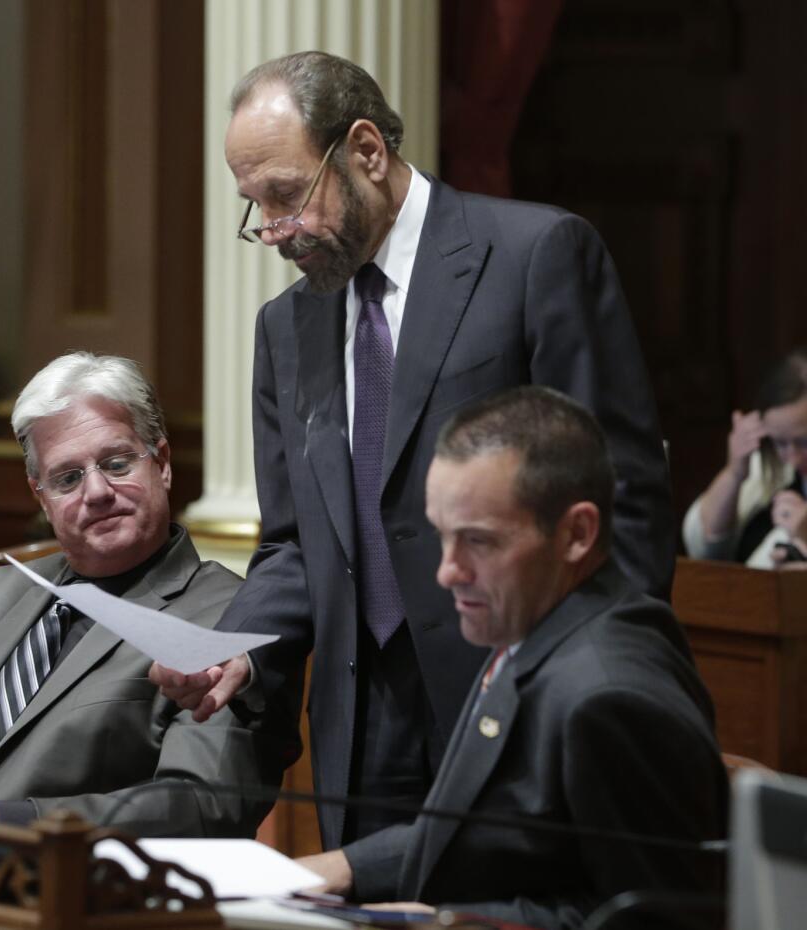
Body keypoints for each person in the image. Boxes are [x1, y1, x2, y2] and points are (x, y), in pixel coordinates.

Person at [152, 51, 675, 860]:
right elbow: (294, 543)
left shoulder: (535, 254)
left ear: (365, 150)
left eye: (287, 196)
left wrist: (601, 687)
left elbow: (624, 504)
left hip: (522, 699)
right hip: (360, 727)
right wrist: (234, 652)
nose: (276, 233)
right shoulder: (285, 328)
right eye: (255, 208)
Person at [299, 386, 727, 929]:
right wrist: (342, 867)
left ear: (576, 533)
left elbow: (660, 921)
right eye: (442, 536)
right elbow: (488, 831)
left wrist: (446, 923)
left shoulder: (608, 694)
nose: (447, 572)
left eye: (478, 541)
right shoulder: (540, 621)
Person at [0, 353, 280, 837]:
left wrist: (2, 823)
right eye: (67, 478)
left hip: (64, 890)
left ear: (161, 463)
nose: (97, 491)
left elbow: (204, 805)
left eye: (116, 463)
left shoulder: (227, 616)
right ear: (41, 496)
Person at [683, 347, 807, 567]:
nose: (793, 458)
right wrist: (735, 473)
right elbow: (701, 548)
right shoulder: (770, 465)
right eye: (780, 443)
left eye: (804, 442)